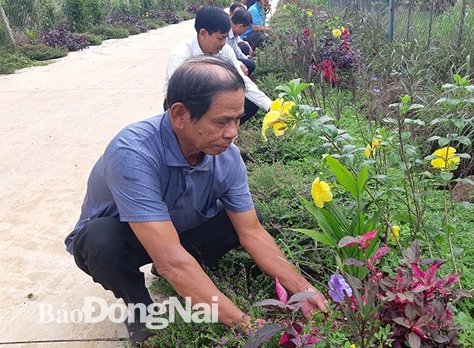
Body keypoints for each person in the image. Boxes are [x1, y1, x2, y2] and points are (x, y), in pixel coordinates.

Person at [64, 56, 327, 346]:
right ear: (180, 115)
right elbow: (171, 262)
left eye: (238, 119)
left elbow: (252, 233)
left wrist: (303, 290)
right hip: (127, 239)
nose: (233, 132)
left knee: (249, 219)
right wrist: (247, 325)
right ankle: (141, 308)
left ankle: (196, 279)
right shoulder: (133, 152)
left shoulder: (227, 158)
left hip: (176, 233)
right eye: (222, 121)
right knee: (101, 240)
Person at [163, 5, 271, 124]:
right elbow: (178, 93)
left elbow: (242, 81)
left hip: (212, 101)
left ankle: (221, 131)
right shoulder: (181, 54)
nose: (224, 43)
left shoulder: (225, 50)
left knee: (249, 103)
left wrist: (269, 106)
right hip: (184, 103)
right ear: (203, 33)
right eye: (221, 38)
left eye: (225, 37)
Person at [227, 4, 256, 75]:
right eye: (245, 29)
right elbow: (225, 57)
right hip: (222, 60)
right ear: (240, 26)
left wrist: (246, 59)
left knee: (245, 49)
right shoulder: (225, 34)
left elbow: (236, 50)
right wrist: (240, 64)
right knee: (250, 65)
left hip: (230, 56)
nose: (245, 32)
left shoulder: (234, 33)